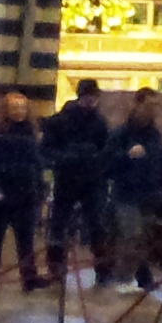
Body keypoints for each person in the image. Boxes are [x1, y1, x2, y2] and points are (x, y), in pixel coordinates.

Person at [0, 91, 47, 294]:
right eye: (15, 107)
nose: (19, 111)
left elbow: (36, 163)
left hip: (25, 192)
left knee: (26, 239)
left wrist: (40, 188)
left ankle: (29, 276)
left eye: (23, 107)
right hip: (0, 194)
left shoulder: (30, 132)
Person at [43, 79, 114, 282]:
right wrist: (66, 157)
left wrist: (96, 161)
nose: (91, 101)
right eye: (88, 97)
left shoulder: (100, 122)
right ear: (80, 96)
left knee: (96, 225)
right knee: (59, 223)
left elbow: (106, 151)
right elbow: (46, 150)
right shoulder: (61, 121)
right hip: (67, 180)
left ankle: (103, 270)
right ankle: (55, 269)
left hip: (92, 182)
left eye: (94, 97)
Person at [106, 88, 162, 291]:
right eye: (149, 105)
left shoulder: (155, 135)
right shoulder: (121, 133)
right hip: (126, 194)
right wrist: (127, 155)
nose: (153, 110)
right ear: (138, 104)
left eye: (156, 106)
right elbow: (106, 162)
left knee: (143, 238)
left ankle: (140, 277)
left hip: (149, 194)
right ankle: (123, 278)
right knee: (131, 236)